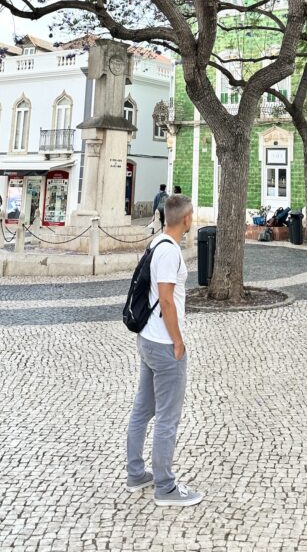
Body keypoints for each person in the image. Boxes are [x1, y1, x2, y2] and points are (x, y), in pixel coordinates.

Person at [126, 194, 203, 507]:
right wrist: (178, 341)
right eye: (192, 215)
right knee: (168, 417)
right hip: (163, 343)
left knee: (143, 409)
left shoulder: (156, 243)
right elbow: (167, 300)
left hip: (147, 338)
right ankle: (165, 486)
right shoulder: (170, 251)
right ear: (186, 219)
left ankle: (135, 473)